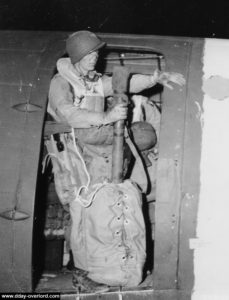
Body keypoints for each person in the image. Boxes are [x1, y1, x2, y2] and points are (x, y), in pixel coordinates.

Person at [47, 30, 185, 292]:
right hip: (73, 156)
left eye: (97, 53)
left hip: (95, 152)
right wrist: (107, 117)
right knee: (82, 214)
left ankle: (109, 273)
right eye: (90, 54)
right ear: (76, 56)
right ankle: (83, 273)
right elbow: (67, 113)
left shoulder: (91, 79)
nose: (95, 58)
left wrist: (155, 77)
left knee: (105, 212)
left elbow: (123, 84)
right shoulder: (61, 82)